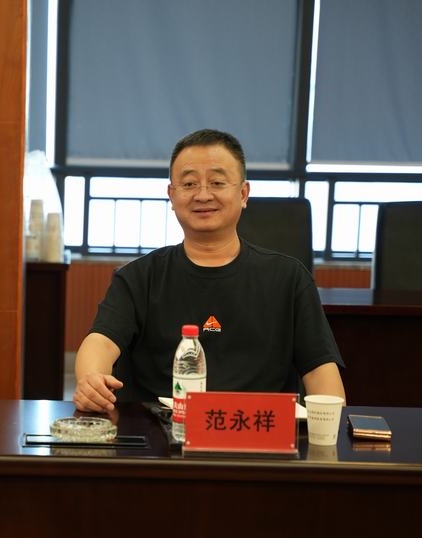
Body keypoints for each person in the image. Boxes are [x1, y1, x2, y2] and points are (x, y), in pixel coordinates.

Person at [74, 129, 345, 413]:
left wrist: (330, 430)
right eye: (189, 184)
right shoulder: (138, 278)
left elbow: (320, 372)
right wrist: (91, 381)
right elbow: (101, 343)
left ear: (243, 193)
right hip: (160, 433)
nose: (203, 195)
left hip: (259, 432)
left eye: (217, 182)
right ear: (172, 195)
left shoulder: (289, 279)